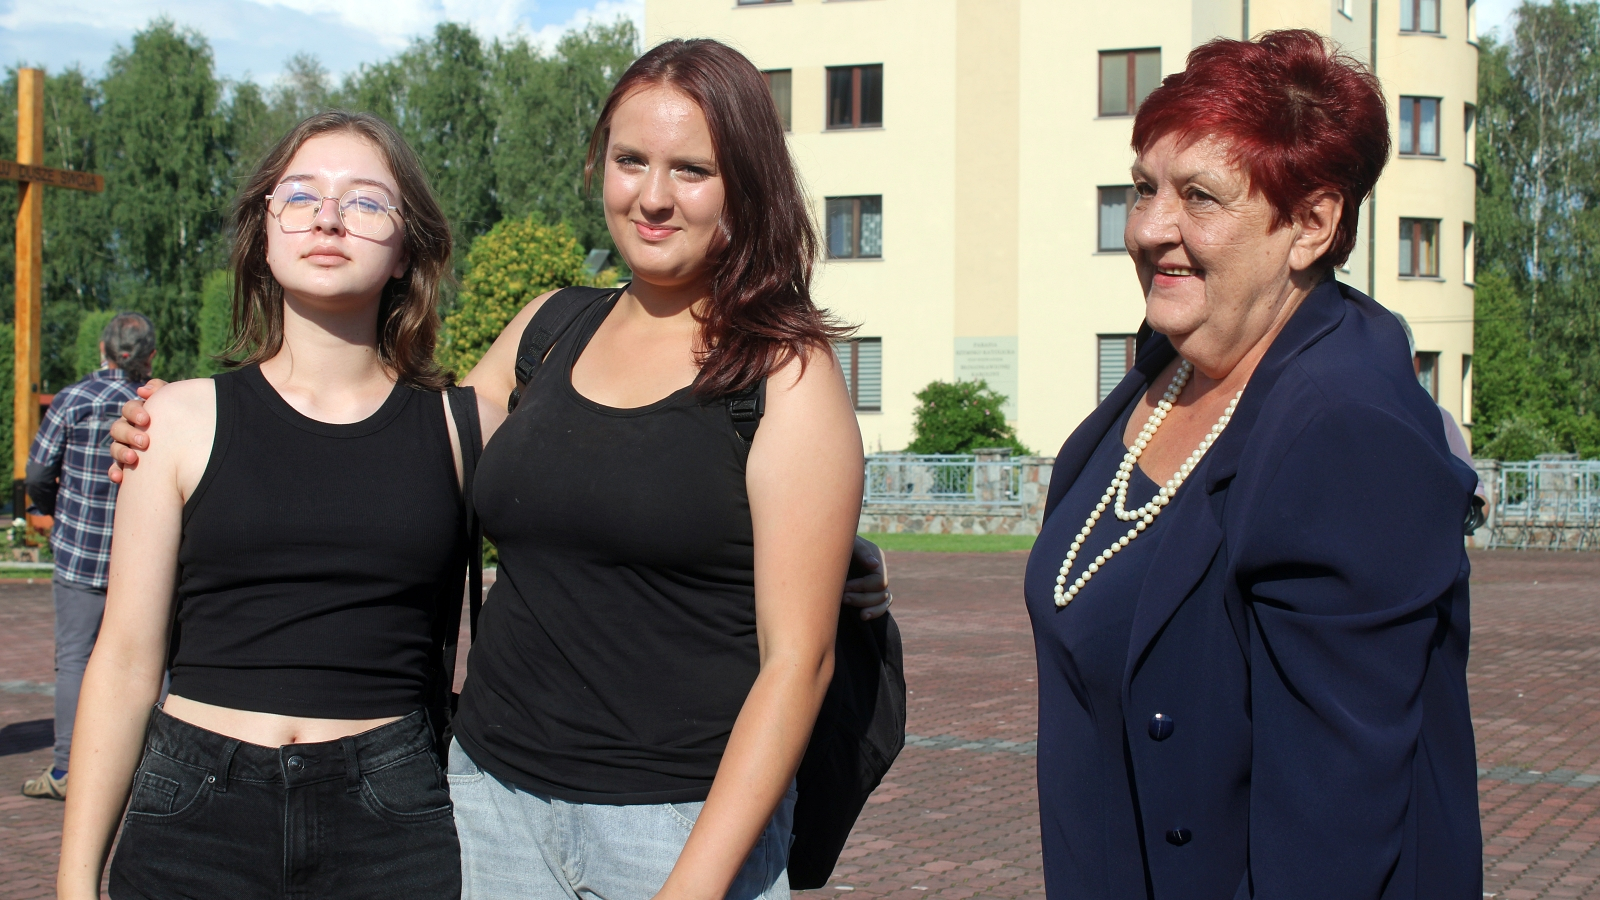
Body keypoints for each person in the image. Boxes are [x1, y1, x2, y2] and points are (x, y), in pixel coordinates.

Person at [1024, 30, 1481, 900]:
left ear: (1311, 224)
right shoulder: (1169, 363)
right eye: (1144, 188)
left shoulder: (1346, 428)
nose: (1149, 228)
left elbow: (1330, 829)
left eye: (1200, 197)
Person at [442, 38, 865, 900]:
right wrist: (202, 418)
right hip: (490, 804)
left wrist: (690, 887)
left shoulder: (786, 374)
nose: (654, 197)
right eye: (631, 160)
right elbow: (407, 452)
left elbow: (800, 664)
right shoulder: (547, 329)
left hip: (675, 830)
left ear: (746, 187)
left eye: (692, 170)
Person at [60, 111, 473, 900]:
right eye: (301, 195)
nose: (328, 217)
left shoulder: (463, 426)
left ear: (405, 250)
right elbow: (125, 660)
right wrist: (75, 883)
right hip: (194, 810)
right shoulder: (173, 420)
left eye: (365, 201)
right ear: (263, 233)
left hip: (391, 818)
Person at [19, 312, 155, 802]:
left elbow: (38, 472)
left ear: (102, 348)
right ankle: (152, 769)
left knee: (74, 661)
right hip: (142, 558)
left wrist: (51, 510)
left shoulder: (72, 399)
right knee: (150, 664)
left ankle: (65, 769)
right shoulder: (157, 405)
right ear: (150, 357)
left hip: (79, 550)